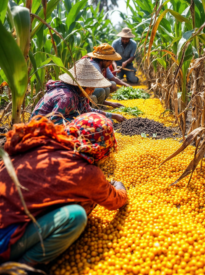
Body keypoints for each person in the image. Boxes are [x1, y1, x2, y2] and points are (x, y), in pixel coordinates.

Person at [0, 112, 127, 265]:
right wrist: (119, 186)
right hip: (4, 239)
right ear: (102, 148)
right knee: (75, 216)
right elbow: (116, 201)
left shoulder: (42, 144)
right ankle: (21, 267)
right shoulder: (86, 173)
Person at [31, 58, 125, 124]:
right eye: (91, 88)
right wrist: (82, 122)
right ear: (81, 86)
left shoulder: (79, 95)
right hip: (40, 128)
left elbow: (87, 110)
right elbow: (55, 122)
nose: (92, 92)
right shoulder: (66, 97)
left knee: (104, 122)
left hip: (59, 123)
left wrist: (113, 115)